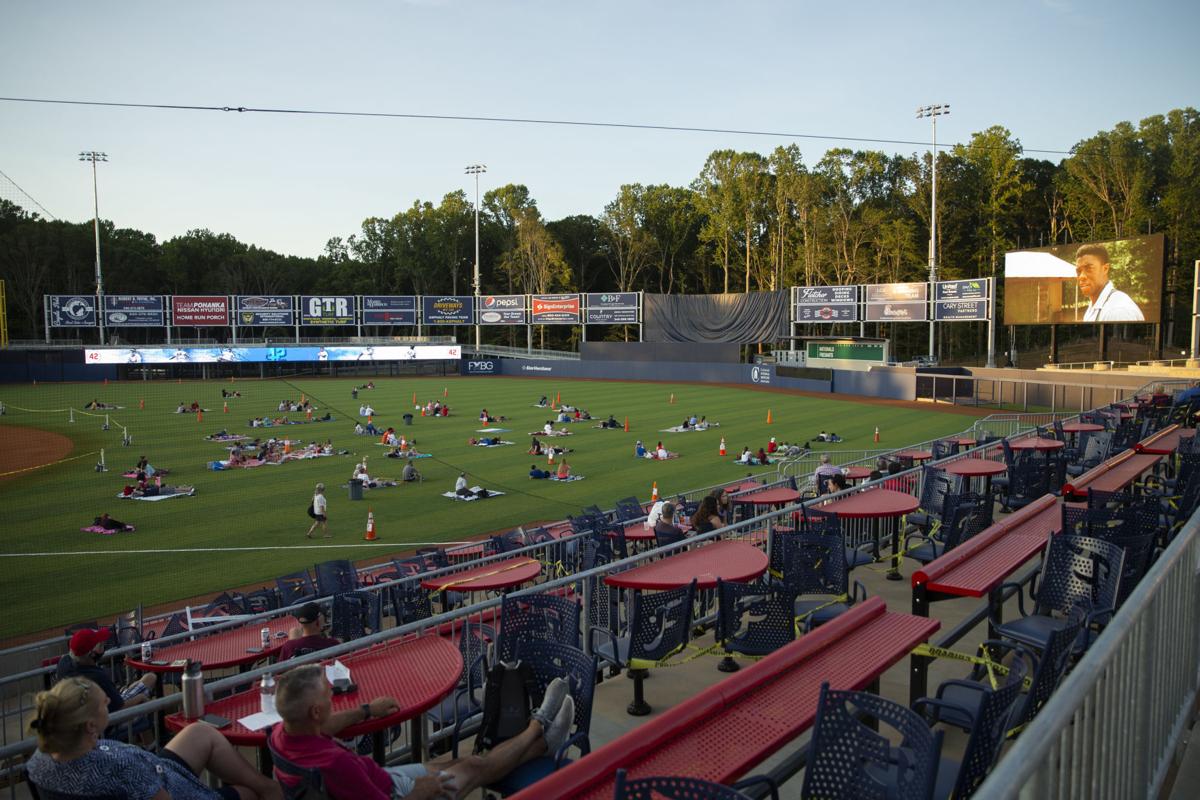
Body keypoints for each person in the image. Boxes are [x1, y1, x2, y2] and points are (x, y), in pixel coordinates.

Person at [269, 664, 574, 800]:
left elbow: (325, 725)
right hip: (397, 793)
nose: (332, 696)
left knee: (461, 763)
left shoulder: (282, 735)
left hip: (384, 780)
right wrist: (422, 791)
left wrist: (365, 711)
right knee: (474, 765)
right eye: (327, 695)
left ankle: (541, 745)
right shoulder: (336, 764)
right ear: (315, 712)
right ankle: (539, 724)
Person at [25, 677, 281, 800]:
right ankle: (269, 790)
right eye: (104, 704)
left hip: (156, 772)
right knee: (248, 793)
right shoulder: (119, 769)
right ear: (91, 725)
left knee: (199, 732)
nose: (108, 704)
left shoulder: (40, 758)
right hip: (171, 787)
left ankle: (268, 788)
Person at [55, 629, 157, 713]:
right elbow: (119, 707)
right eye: (99, 645)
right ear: (92, 654)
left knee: (133, 686)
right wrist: (140, 697)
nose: (103, 646)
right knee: (150, 678)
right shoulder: (97, 676)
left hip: (81, 720)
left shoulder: (64, 663)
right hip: (108, 722)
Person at [1076, 243, 1144, 322]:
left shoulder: (1117, 311)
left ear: (1105, 269)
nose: (1081, 276)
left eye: (1089, 268)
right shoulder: (1095, 305)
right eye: (1079, 271)